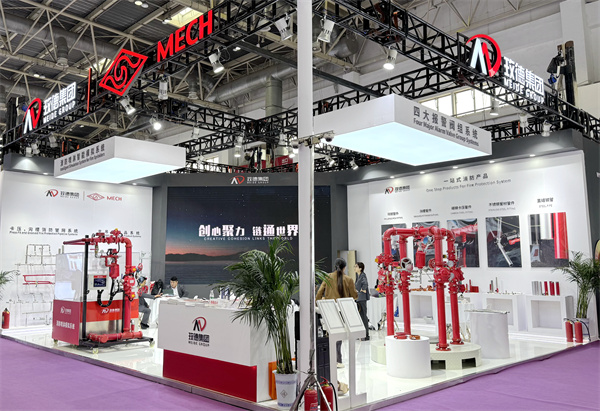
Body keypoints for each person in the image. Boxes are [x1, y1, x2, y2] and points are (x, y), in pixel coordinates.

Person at [316, 258, 358, 368]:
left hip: (329, 309)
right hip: (342, 310)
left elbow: (319, 292)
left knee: (329, 334)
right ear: (344, 267)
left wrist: (318, 303)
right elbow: (354, 296)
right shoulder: (348, 279)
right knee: (339, 335)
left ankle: (329, 359)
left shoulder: (327, 277)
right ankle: (338, 360)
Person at [354, 262, 370, 341]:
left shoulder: (363, 275)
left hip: (362, 298)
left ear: (360, 268)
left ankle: (366, 335)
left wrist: (362, 289)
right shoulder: (358, 276)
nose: (354, 268)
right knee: (360, 317)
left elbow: (365, 284)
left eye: (356, 266)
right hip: (358, 298)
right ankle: (361, 334)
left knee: (363, 316)